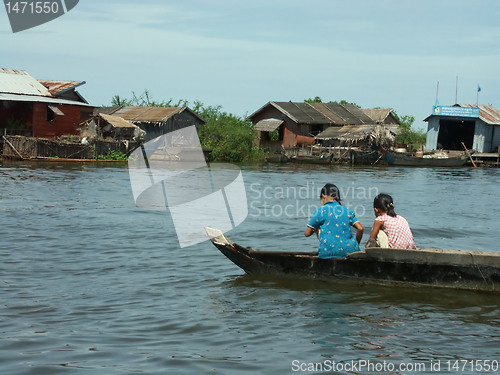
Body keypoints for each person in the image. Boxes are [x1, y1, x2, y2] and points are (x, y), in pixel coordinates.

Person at [305, 183, 364, 258]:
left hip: (328, 253)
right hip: (351, 252)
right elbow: (360, 228)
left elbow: (307, 233)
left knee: (318, 226)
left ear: (323, 196)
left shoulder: (321, 211)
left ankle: (327, 249)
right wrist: (356, 244)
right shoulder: (348, 211)